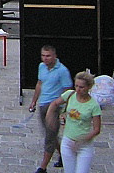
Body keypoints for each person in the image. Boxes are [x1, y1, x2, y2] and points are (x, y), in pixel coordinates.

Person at [46, 71, 101, 173]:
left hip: (84, 145)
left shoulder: (93, 105)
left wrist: (83, 139)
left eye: (81, 87)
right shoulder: (70, 95)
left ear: (88, 87)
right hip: (68, 141)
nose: (78, 90)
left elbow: (97, 129)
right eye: (76, 86)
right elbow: (54, 103)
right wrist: (49, 117)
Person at [28, 45, 72, 173]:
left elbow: (67, 90)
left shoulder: (62, 71)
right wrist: (34, 101)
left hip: (54, 106)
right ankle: (64, 156)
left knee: (50, 136)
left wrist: (63, 109)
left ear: (54, 56)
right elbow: (39, 84)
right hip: (43, 104)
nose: (45, 58)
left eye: (48, 56)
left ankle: (43, 167)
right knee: (50, 134)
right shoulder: (41, 67)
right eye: (43, 56)